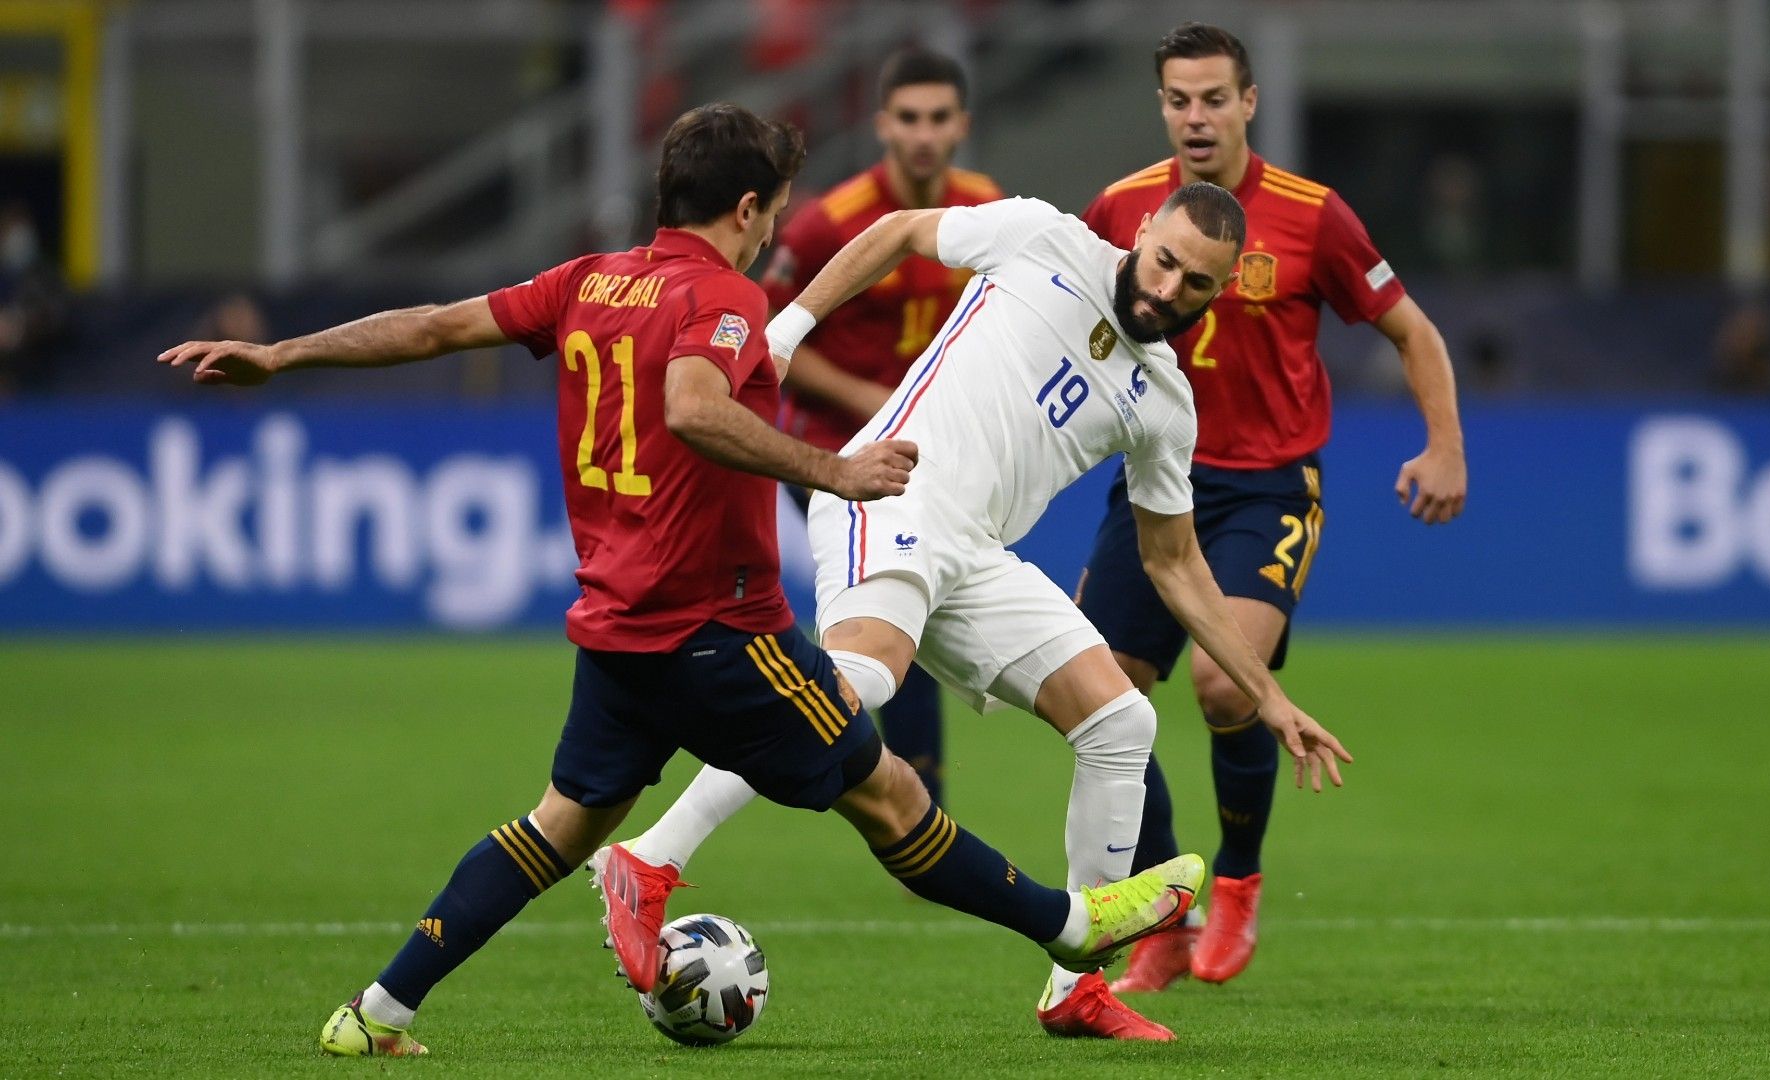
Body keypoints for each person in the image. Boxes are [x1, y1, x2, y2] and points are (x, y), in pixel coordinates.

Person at [159, 102, 1199, 1057]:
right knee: (893, 798)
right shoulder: (725, 298)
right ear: (746, 207)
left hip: (615, 630)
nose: (769, 234)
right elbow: (698, 407)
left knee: (551, 830)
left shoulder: (585, 281)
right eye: (773, 213)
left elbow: (432, 325)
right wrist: (834, 469)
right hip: (721, 630)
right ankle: (1075, 926)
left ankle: (373, 1013)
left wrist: (283, 354)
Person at [601, 182, 1351, 1041]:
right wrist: (787, 327)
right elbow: (901, 231)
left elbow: (1174, 563)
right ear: (1142, 233)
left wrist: (1272, 698)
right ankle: (648, 857)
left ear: (1222, 293)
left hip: (977, 555)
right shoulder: (1042, 235)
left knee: (1121, 724)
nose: (1168, 289)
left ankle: (1077, 984)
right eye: (1166, 261)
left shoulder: (1165, 400)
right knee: (863, 679)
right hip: (887, 494)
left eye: (1196, 285)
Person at [1078, 23, 1469, 993]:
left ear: (1250, 102)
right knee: (1099, 698)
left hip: (1267, 485)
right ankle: (1169, 903)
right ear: (1161, 105)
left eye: (1215, 98)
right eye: (1179, 100)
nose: (1196, 117)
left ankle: (1242, 881)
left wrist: (1445, 444)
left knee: (1222, 685)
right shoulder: (1124, 207)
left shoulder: (1313, 216)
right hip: (1152, 480)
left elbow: (1410, 330)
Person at [762, 45, 1003, 810]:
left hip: (928, 458)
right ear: (882, 126)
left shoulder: (984, 205)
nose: (923, 134)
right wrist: (873, 396)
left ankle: (895, 792)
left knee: (908, 624)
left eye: (938, 118)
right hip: (834, 455)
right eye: (908, 118)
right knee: (898, 614)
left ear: (961, 124)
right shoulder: (828, 223)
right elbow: (774, 340)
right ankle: (903, 795)